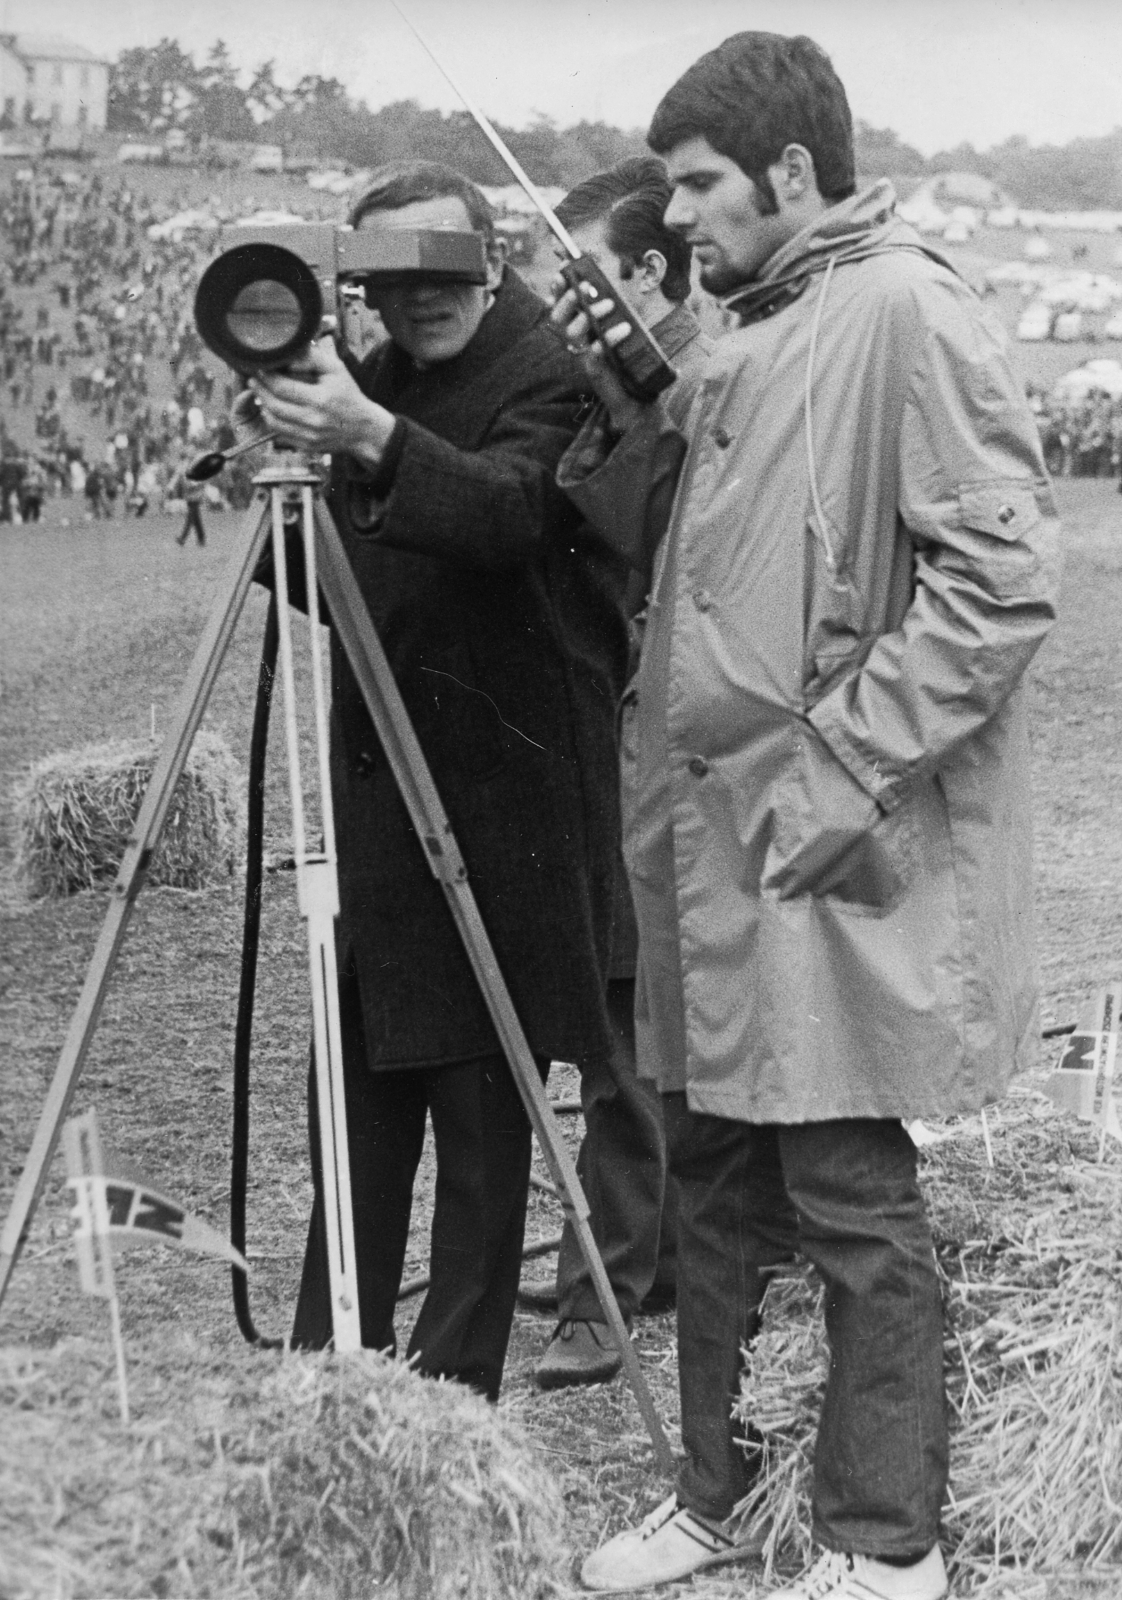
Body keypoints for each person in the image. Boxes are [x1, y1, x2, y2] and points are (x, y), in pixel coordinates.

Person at [554, 32, 1060, 1600]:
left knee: (846, 1192)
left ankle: (879, 1542)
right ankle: (718, 1498)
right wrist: (644, 372)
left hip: (831, 848)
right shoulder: (762, 319)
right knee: (709, 1179)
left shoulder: (904, 305)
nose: (678, 221)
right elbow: (714, 521)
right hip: (716, 857)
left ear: (787, 171)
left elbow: (998, 584)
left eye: (698, 188)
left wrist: (840, 765)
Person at [247, 160, 628, 1403]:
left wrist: (366, 436)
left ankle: (451, 1395)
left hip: (500, 807)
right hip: (384, 795)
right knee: (358, 1100)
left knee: (479, 1114)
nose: (416, 307)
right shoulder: (387, 379)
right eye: (386, 284)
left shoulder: (554, 372)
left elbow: (515, 515)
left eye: (438, 276)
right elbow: (350, 585)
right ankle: (327, 1369)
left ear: (493, 251)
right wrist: (282, 481)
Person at [534, 156, 714, 1390]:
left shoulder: (706, 374)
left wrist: (617, 395)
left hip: (679, 738)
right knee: (619, 1004)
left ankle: (621, 1270)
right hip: (610, 724)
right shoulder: (625, 374)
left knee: (636, 1015)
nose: (564, 296)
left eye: (584, 271)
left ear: (647, 272)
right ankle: (627, 1255)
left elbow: (650, 534)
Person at [175, 470, 206, 547]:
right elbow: (186, 485)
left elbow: (200, 484)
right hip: (190, 499)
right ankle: (201, 538)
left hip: (195, 499)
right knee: (196, 520)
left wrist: (194, 485)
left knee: (190, 519)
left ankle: (182, 538)